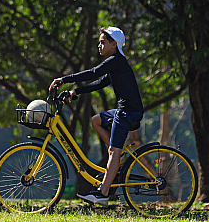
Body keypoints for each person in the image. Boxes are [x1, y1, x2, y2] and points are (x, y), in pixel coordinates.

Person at [49, 26, 144, 207]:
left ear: (114, 44)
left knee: (113, 151)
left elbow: (93, 72)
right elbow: (99, 82)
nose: (99, 46)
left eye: (102, 42)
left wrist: (64, 79)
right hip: (125, 111)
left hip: (127, 113)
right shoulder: (115, 64)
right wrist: (75, 91)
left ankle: (103, 193)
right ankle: (117, 156)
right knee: (96, 121)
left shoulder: (116, 60)